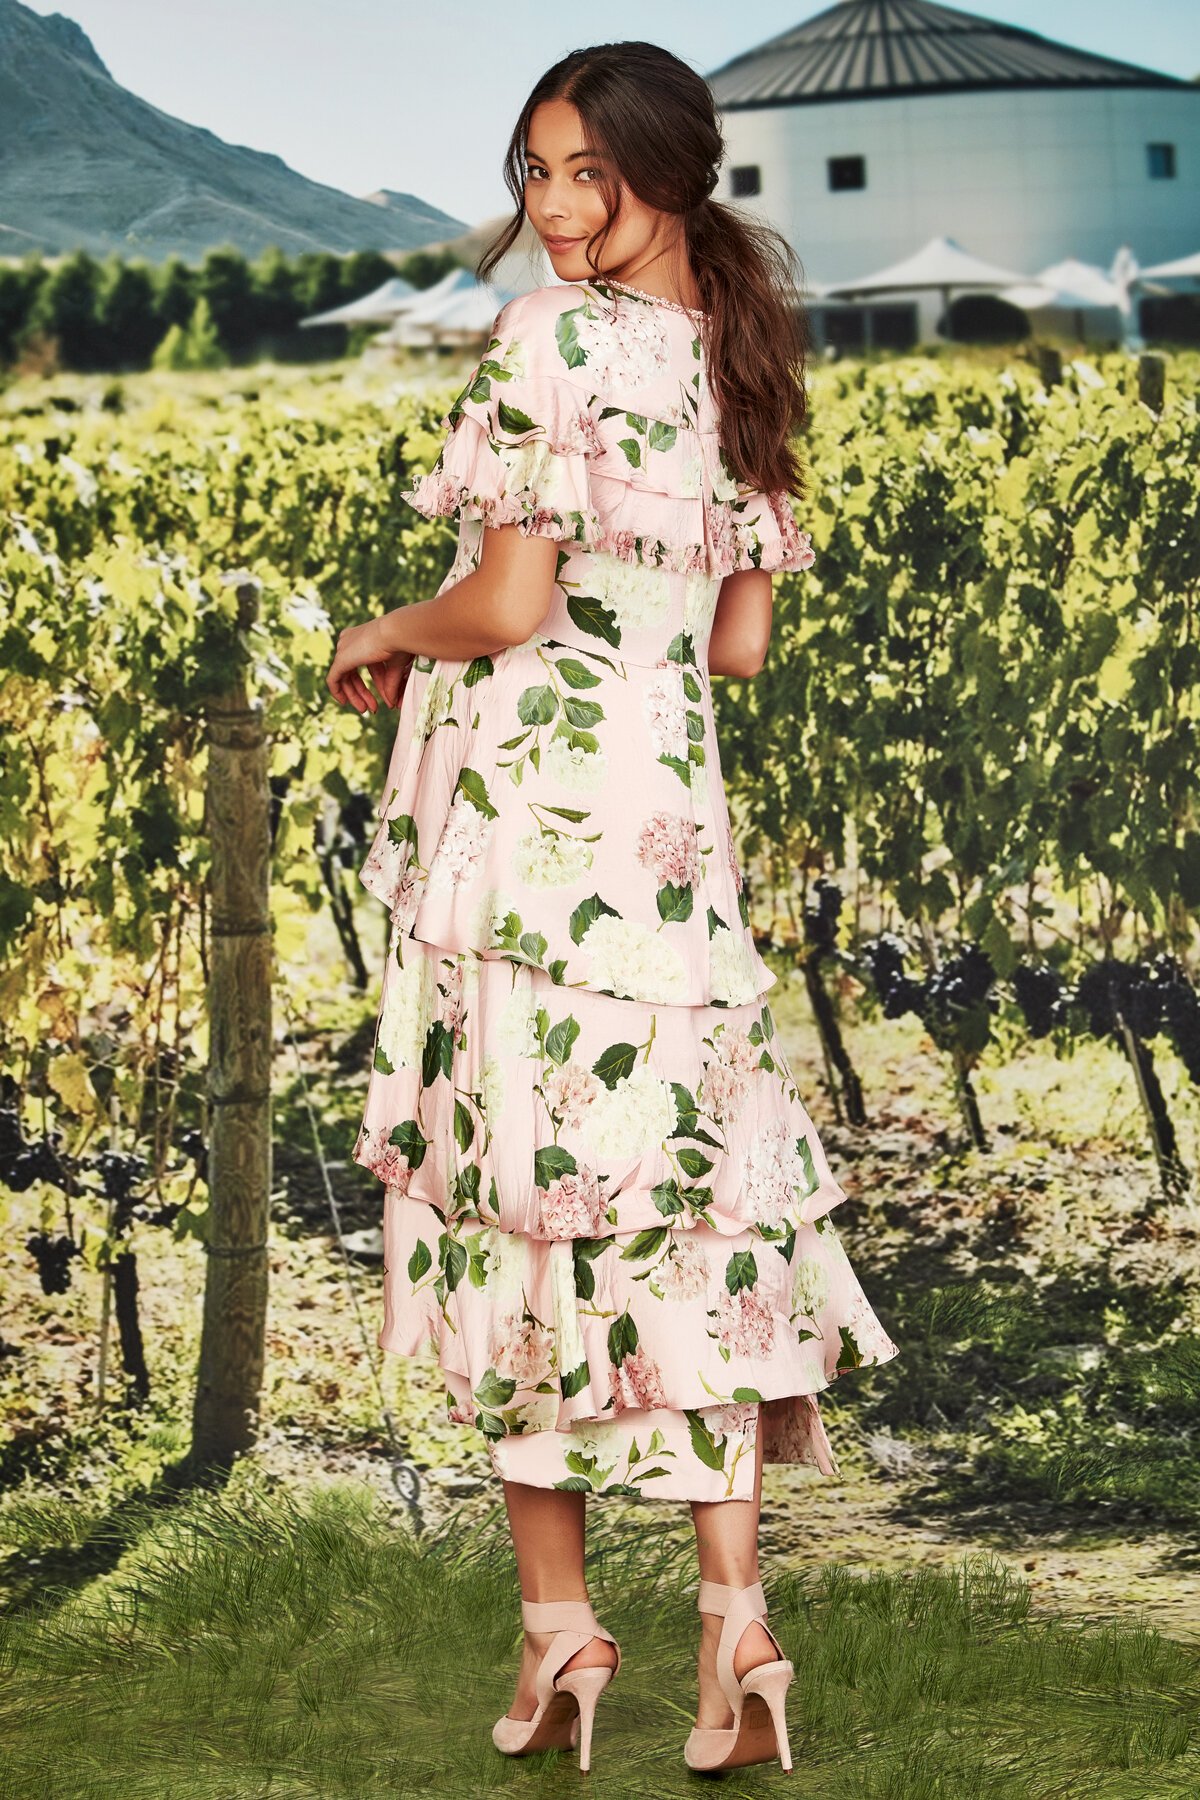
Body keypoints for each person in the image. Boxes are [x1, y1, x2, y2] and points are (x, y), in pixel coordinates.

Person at [326, 39, 899, 1776]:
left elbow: (506, 605)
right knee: (689, 1212)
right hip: (670, 846)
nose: (558, 208)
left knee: (521, 1204)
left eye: (592, 172)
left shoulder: (548, 339)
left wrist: (385, 632)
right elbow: (738, 644)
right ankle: (737, 1627)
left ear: (671, 173)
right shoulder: (742, 359)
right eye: (536, 171)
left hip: (526, 845)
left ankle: (561, 1632)